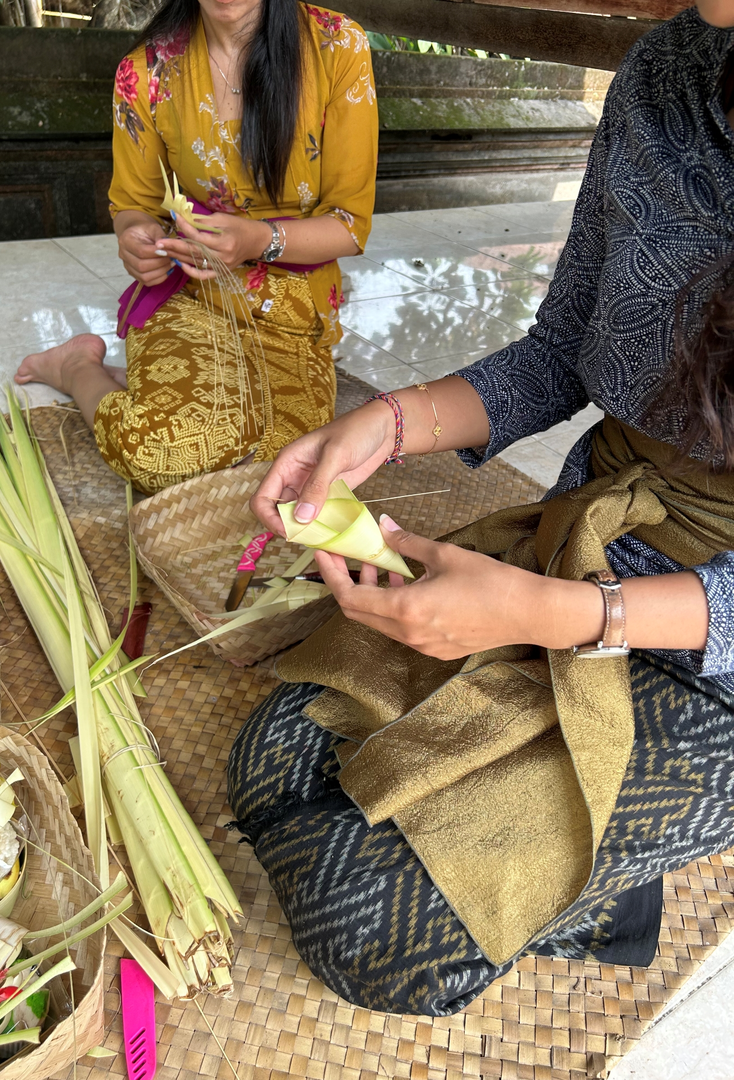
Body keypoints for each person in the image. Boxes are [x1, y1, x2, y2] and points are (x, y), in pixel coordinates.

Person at [226, 1, 734, 1016]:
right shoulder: (670, 66)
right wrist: (385, 426)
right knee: (277, 750)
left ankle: (600, 895)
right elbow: (560, 354)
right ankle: (559, 858)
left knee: (363, 923)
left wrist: (548, 618)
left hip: (710, 649)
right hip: (594, 532)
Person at [14, 0, 377, 494]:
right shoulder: (146, 72)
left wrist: (255, 239)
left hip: (294, 313)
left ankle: (144, 386)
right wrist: (136, 237)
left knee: (281, 469)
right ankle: (77, 368)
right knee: (161, 454)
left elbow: (349, 226)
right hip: (191, 295)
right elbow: (134, 205)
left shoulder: (337, 47)